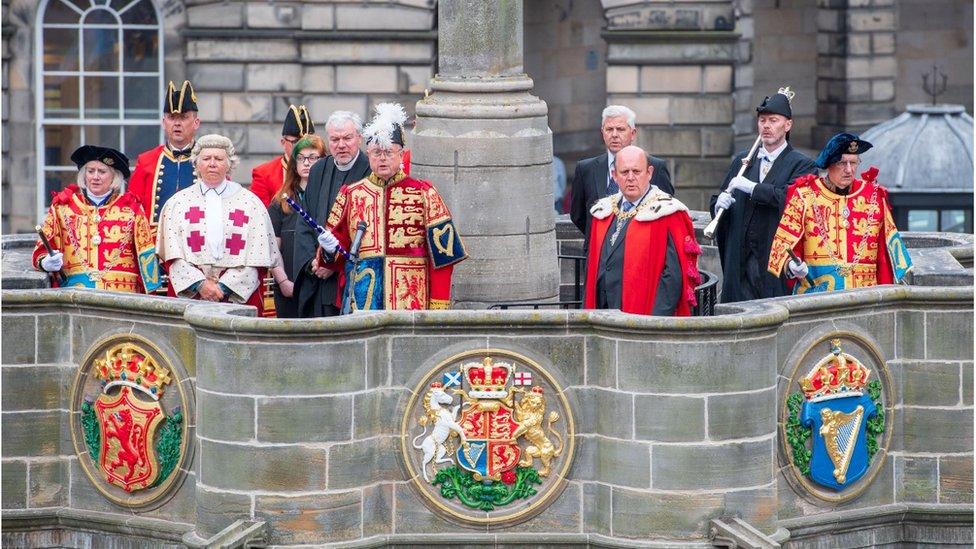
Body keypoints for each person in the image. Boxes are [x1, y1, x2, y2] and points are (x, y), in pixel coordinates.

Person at [316, 103, 466, 311]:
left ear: (401, 154)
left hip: (412, 301)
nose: (382, 158)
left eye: (388, 152)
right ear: (368, 153)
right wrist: (328, 250)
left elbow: (445, 256)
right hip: (363, 301)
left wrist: (438, 308)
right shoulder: (351, 194)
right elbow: (334, 258)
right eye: (376, 152)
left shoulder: (424, 193)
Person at [767, 132, 913, 294]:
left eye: (853, 163)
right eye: (842, 163)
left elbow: (889, 253)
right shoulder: (804, 195)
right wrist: (791, 265)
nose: (849, 170)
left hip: (866, 299)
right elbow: (784, 246)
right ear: (829, 164)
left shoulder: (874, 196)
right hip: (816, 300)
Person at [709, 87, 817, 303]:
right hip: (738, 264)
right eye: (762, 120)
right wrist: (717, 204)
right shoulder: (743, 160)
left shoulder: (803, 164)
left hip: (772, 265)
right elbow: (721, 199)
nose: (766, 126)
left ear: (788, 125)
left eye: (773, 120)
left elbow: (790, 199)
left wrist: (752, 188)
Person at [156, 134, 280, 312]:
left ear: (229, 164)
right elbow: (171, 256)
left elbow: (257, 258)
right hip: (191, 296)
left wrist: (223, 287)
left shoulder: (251, 203)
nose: (212, 163)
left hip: (237, 297)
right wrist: (200, 285)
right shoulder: (178, 203)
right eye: (206, 158)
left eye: (219, 159)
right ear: (197, 163)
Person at [583, 146, 701, 316]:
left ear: (649, 173)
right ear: (614, 175)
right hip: (602, 312)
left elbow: (674, 276)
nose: (630, 178)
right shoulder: (603, 210)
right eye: (624, 172)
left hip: (644, 316)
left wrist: (653, 323)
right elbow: (593, 266)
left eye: (636, 171)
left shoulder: (668, 212)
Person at [33, 145, 161, 293]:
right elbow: (41, 251)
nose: (95, 177)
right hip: (76, 297)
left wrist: (151, 297)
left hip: (123, 297)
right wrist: (45, 262)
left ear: (114, 176)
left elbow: (146, 255)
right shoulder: (62, 208)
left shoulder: (132, 209)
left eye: (102, 171)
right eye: (90, 171)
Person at [293, 111, 371, 317]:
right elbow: (304, 222)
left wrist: (333, 263)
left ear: (359, 138)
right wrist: (314, 262)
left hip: (350, 275)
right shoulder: (319, 169)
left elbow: (369, 227)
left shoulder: (370, 171)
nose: (341, 145)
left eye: (347, 138)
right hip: (317, 276)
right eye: (335, 139)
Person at [570, 105, 674, 240]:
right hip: (598, 254)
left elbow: (666, 211)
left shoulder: (655, 167)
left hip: (641, 250)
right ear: (602, 132)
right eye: (609, 129)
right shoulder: (585, 169)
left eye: (620, 129)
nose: (614, 135)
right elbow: (578, 215)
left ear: (633, 133)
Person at [129, 80, 202, 227]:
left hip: (197, 243)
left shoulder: (209, 159)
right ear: (164, 122)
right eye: (171, 117)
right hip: (155, 245)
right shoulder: (146, 160)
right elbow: (133, 208)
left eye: (183, 117)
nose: (177, 123)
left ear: (196, 123)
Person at [267, 134, 326, 317]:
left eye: (313, 157)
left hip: (323, 284)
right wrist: (283, 281)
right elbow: (272, 247)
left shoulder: (331, 197)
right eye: (301, 158)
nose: (306, 163)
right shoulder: (280, 201)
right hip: (289, 286)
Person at [250, 105, 315, 206]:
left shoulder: (326, 169)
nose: (303, 147)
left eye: (309, 142)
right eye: (297, 142)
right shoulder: (264, 174)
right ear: (283, 142)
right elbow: (259, 215)